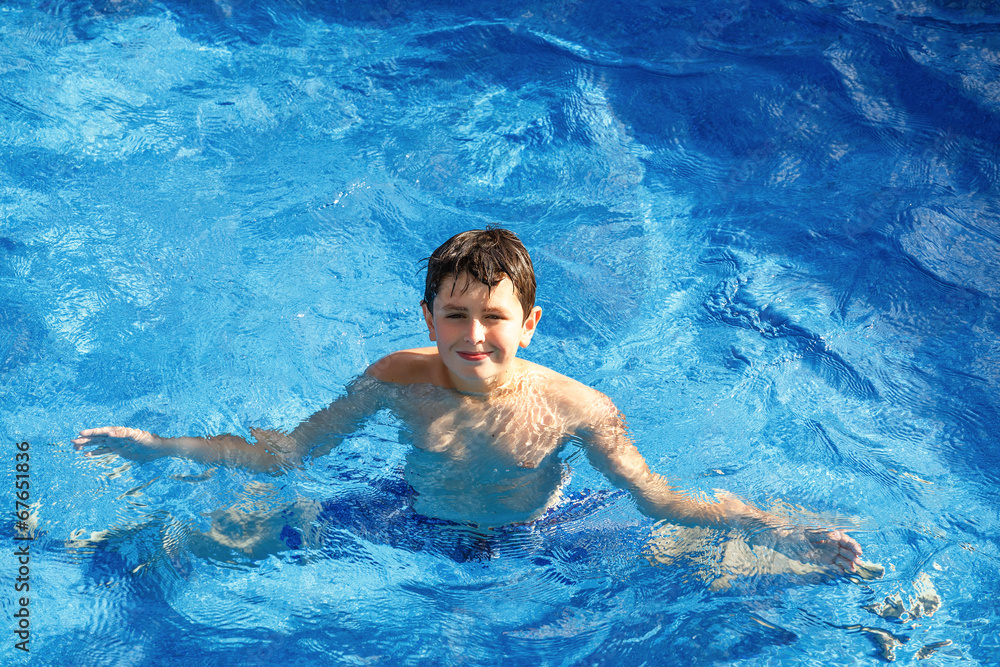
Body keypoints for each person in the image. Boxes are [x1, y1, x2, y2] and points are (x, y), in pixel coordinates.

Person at [73, 227, 863, 574]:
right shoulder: (397, 378)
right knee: (221, 535)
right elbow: (289, 453)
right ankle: (91, 549)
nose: (473, 334)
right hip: (409, 515)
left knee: (695, 562)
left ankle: (824, 563)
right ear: (428, 318)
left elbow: (656, 497)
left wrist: (773, 525)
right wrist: (161, 446)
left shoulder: (580, 407)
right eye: (455, 314)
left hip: (539, 530)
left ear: (529, 323)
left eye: (494, 317)